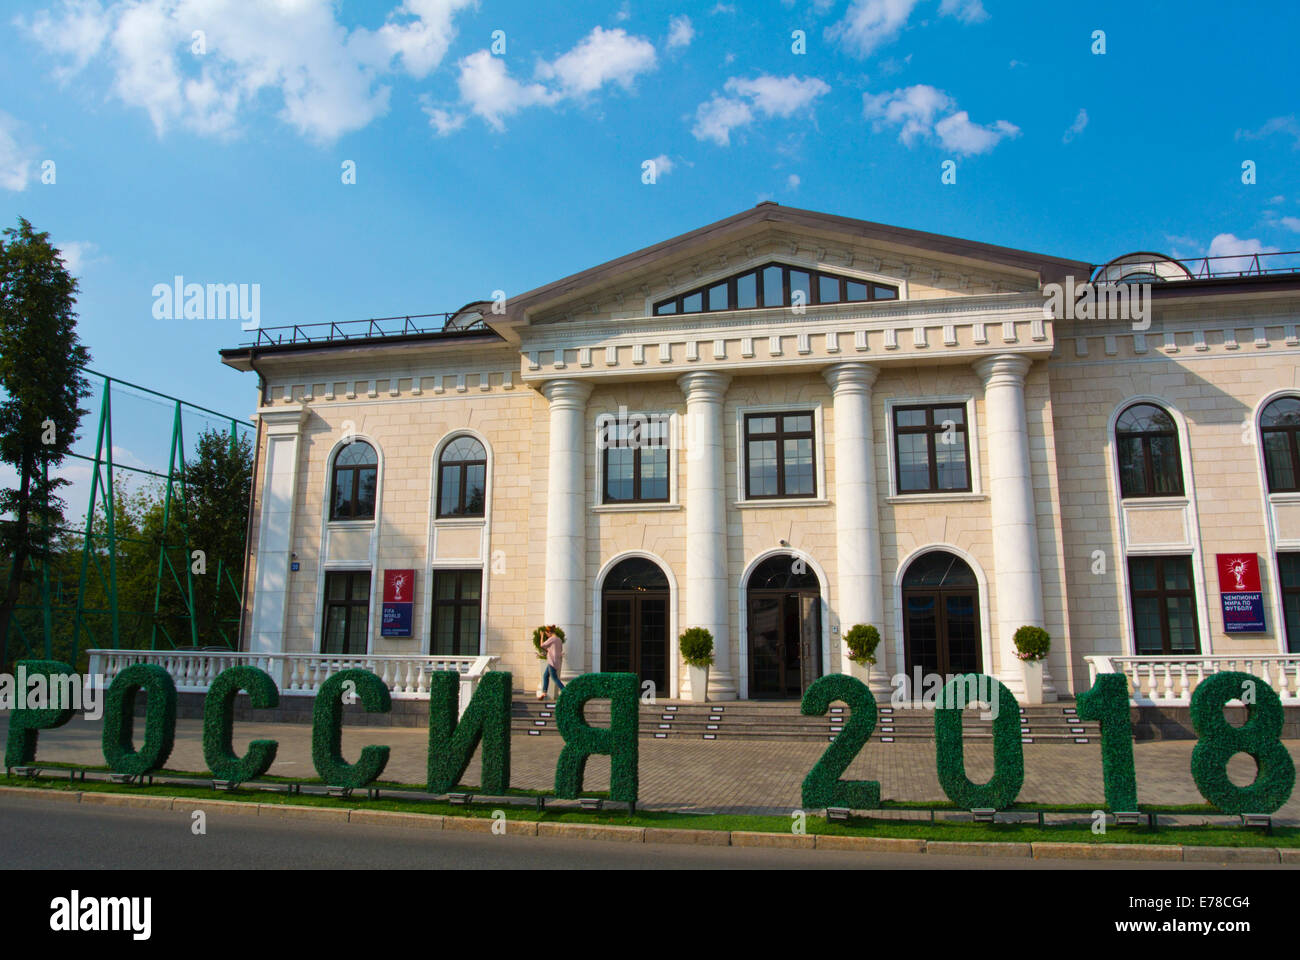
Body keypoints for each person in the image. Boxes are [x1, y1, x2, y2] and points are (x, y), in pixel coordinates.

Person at [538, 627, 565, 700]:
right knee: (545, 675)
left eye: (547, 634)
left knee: (554, 677)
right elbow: (556, 650)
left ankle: (565, 690)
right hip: (556, 661)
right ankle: (544, 692)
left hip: (551, 661)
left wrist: (542, 636)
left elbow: (542, 645)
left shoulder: (552, 639)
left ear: (549, 632)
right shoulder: (559, 640)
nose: (547, 636)